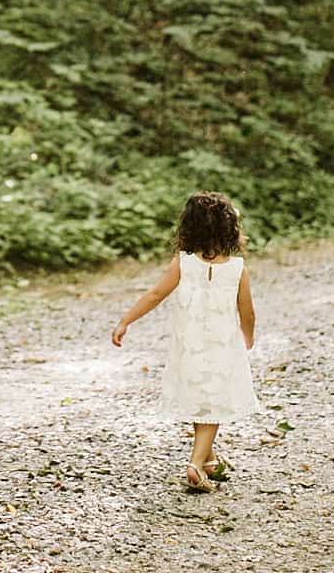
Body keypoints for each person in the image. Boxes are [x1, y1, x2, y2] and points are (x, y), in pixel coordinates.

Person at [111, 191, 259, 491]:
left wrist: (126, 320)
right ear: (229, 228)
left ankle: (209, 459)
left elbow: (154, 295)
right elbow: (247, 310)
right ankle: (194, 465)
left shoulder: (183, 262)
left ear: (188, 227)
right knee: (214, 403)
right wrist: (248, 336)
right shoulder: (237, 269)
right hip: (222, 346)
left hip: (189, 346)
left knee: (200, 401)